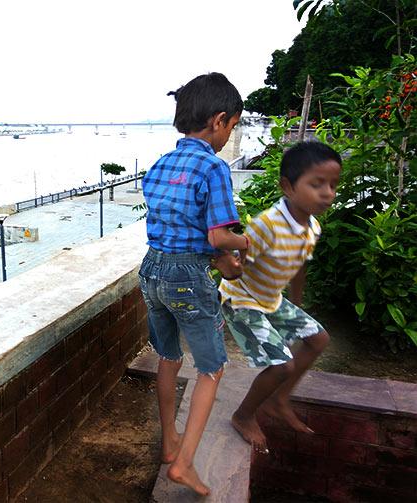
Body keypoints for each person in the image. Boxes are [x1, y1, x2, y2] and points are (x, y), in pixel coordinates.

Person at [139, 72, 249, 496]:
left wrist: (218, 253)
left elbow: (178, 224)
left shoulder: (161, 164)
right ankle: (183, 464)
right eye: (233, 126)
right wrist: (245, 240)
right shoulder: (212, 167)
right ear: (219, 120)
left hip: (152, 270)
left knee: (168, 356)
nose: (229, 136)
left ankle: (171, 442)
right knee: (212, 368)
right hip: (186, 276)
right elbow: (219, 236)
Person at [219, 141, 342, 453]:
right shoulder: (267, 226)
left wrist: (296, 304)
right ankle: (243, 415)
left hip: (270, 299)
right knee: (282, 365)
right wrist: (227, 270)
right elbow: (233, 261)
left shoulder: (311, 226)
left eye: (333, 184)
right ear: (287, 186)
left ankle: (279, 399)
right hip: (241, 300)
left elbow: (299, 264)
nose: (328, 192)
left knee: (318, 338)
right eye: (317, 184)